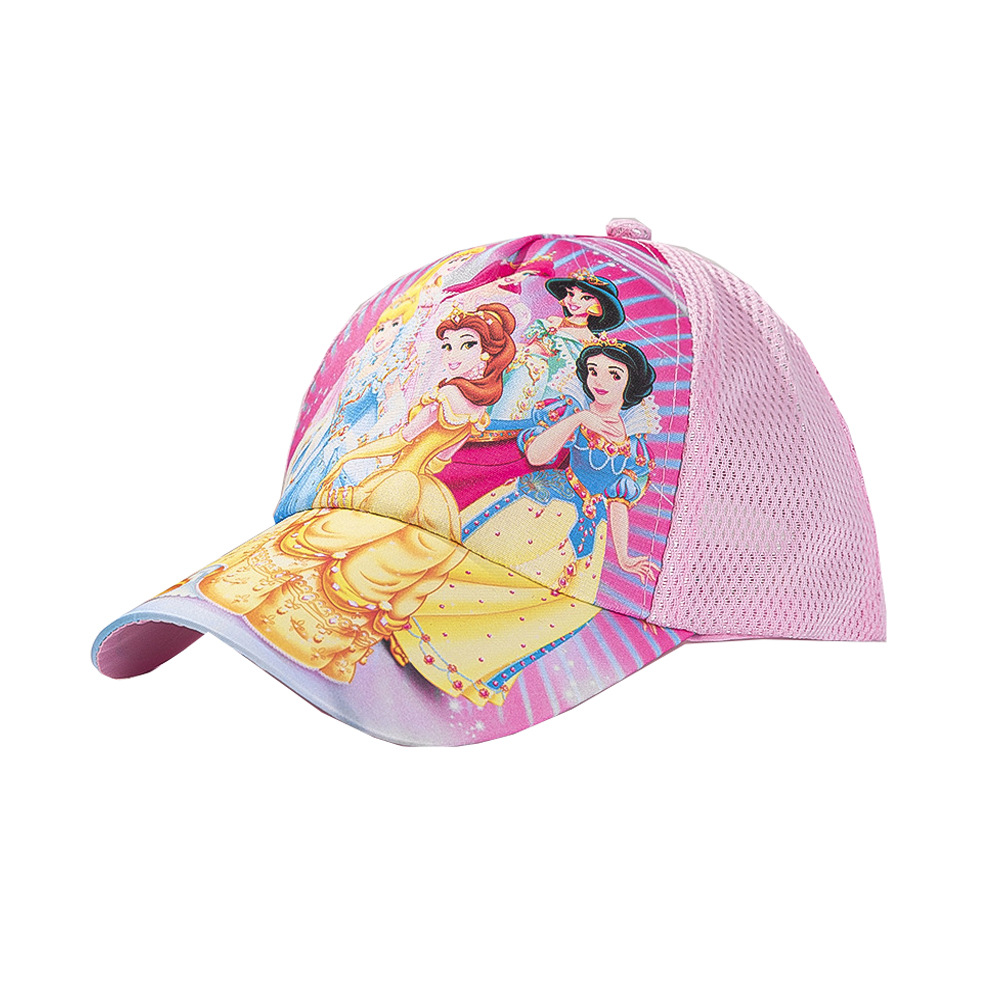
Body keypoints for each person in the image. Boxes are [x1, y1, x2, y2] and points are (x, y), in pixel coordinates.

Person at [458, 340, 659, 604]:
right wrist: (578, 419)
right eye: (593, 370)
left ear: (630, 383)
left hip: (591, 525)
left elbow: (618, 502)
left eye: (614, 374)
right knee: (491, 577)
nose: (600, 381)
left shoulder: (633, 444)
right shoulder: (571, 412)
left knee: (551, 602)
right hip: (545, 504)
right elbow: (536, 456)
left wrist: (624, 558)